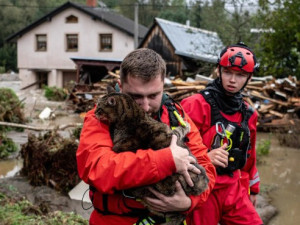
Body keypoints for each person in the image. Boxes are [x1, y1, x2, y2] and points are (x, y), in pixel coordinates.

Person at [76, 48, 216, 225]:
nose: (145, 106)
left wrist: (188, 203)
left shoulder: (177, 116)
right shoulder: (102, 119)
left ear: (163, 86)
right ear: (121, 86)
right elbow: (99, 169)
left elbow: (207, 169)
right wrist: (166, 160)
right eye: (135, 96)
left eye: (153, 95)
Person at [181, 43, 263, 225]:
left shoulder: (249, 113)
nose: (232, 80)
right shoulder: (195, 105)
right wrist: (205, 158)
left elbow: (250, 156)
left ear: (249, 77)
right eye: (227, 72)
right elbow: (174, 150)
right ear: (218, 70)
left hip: (233, 187)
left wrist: (253, 189)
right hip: (202, 187)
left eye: (240, 75)